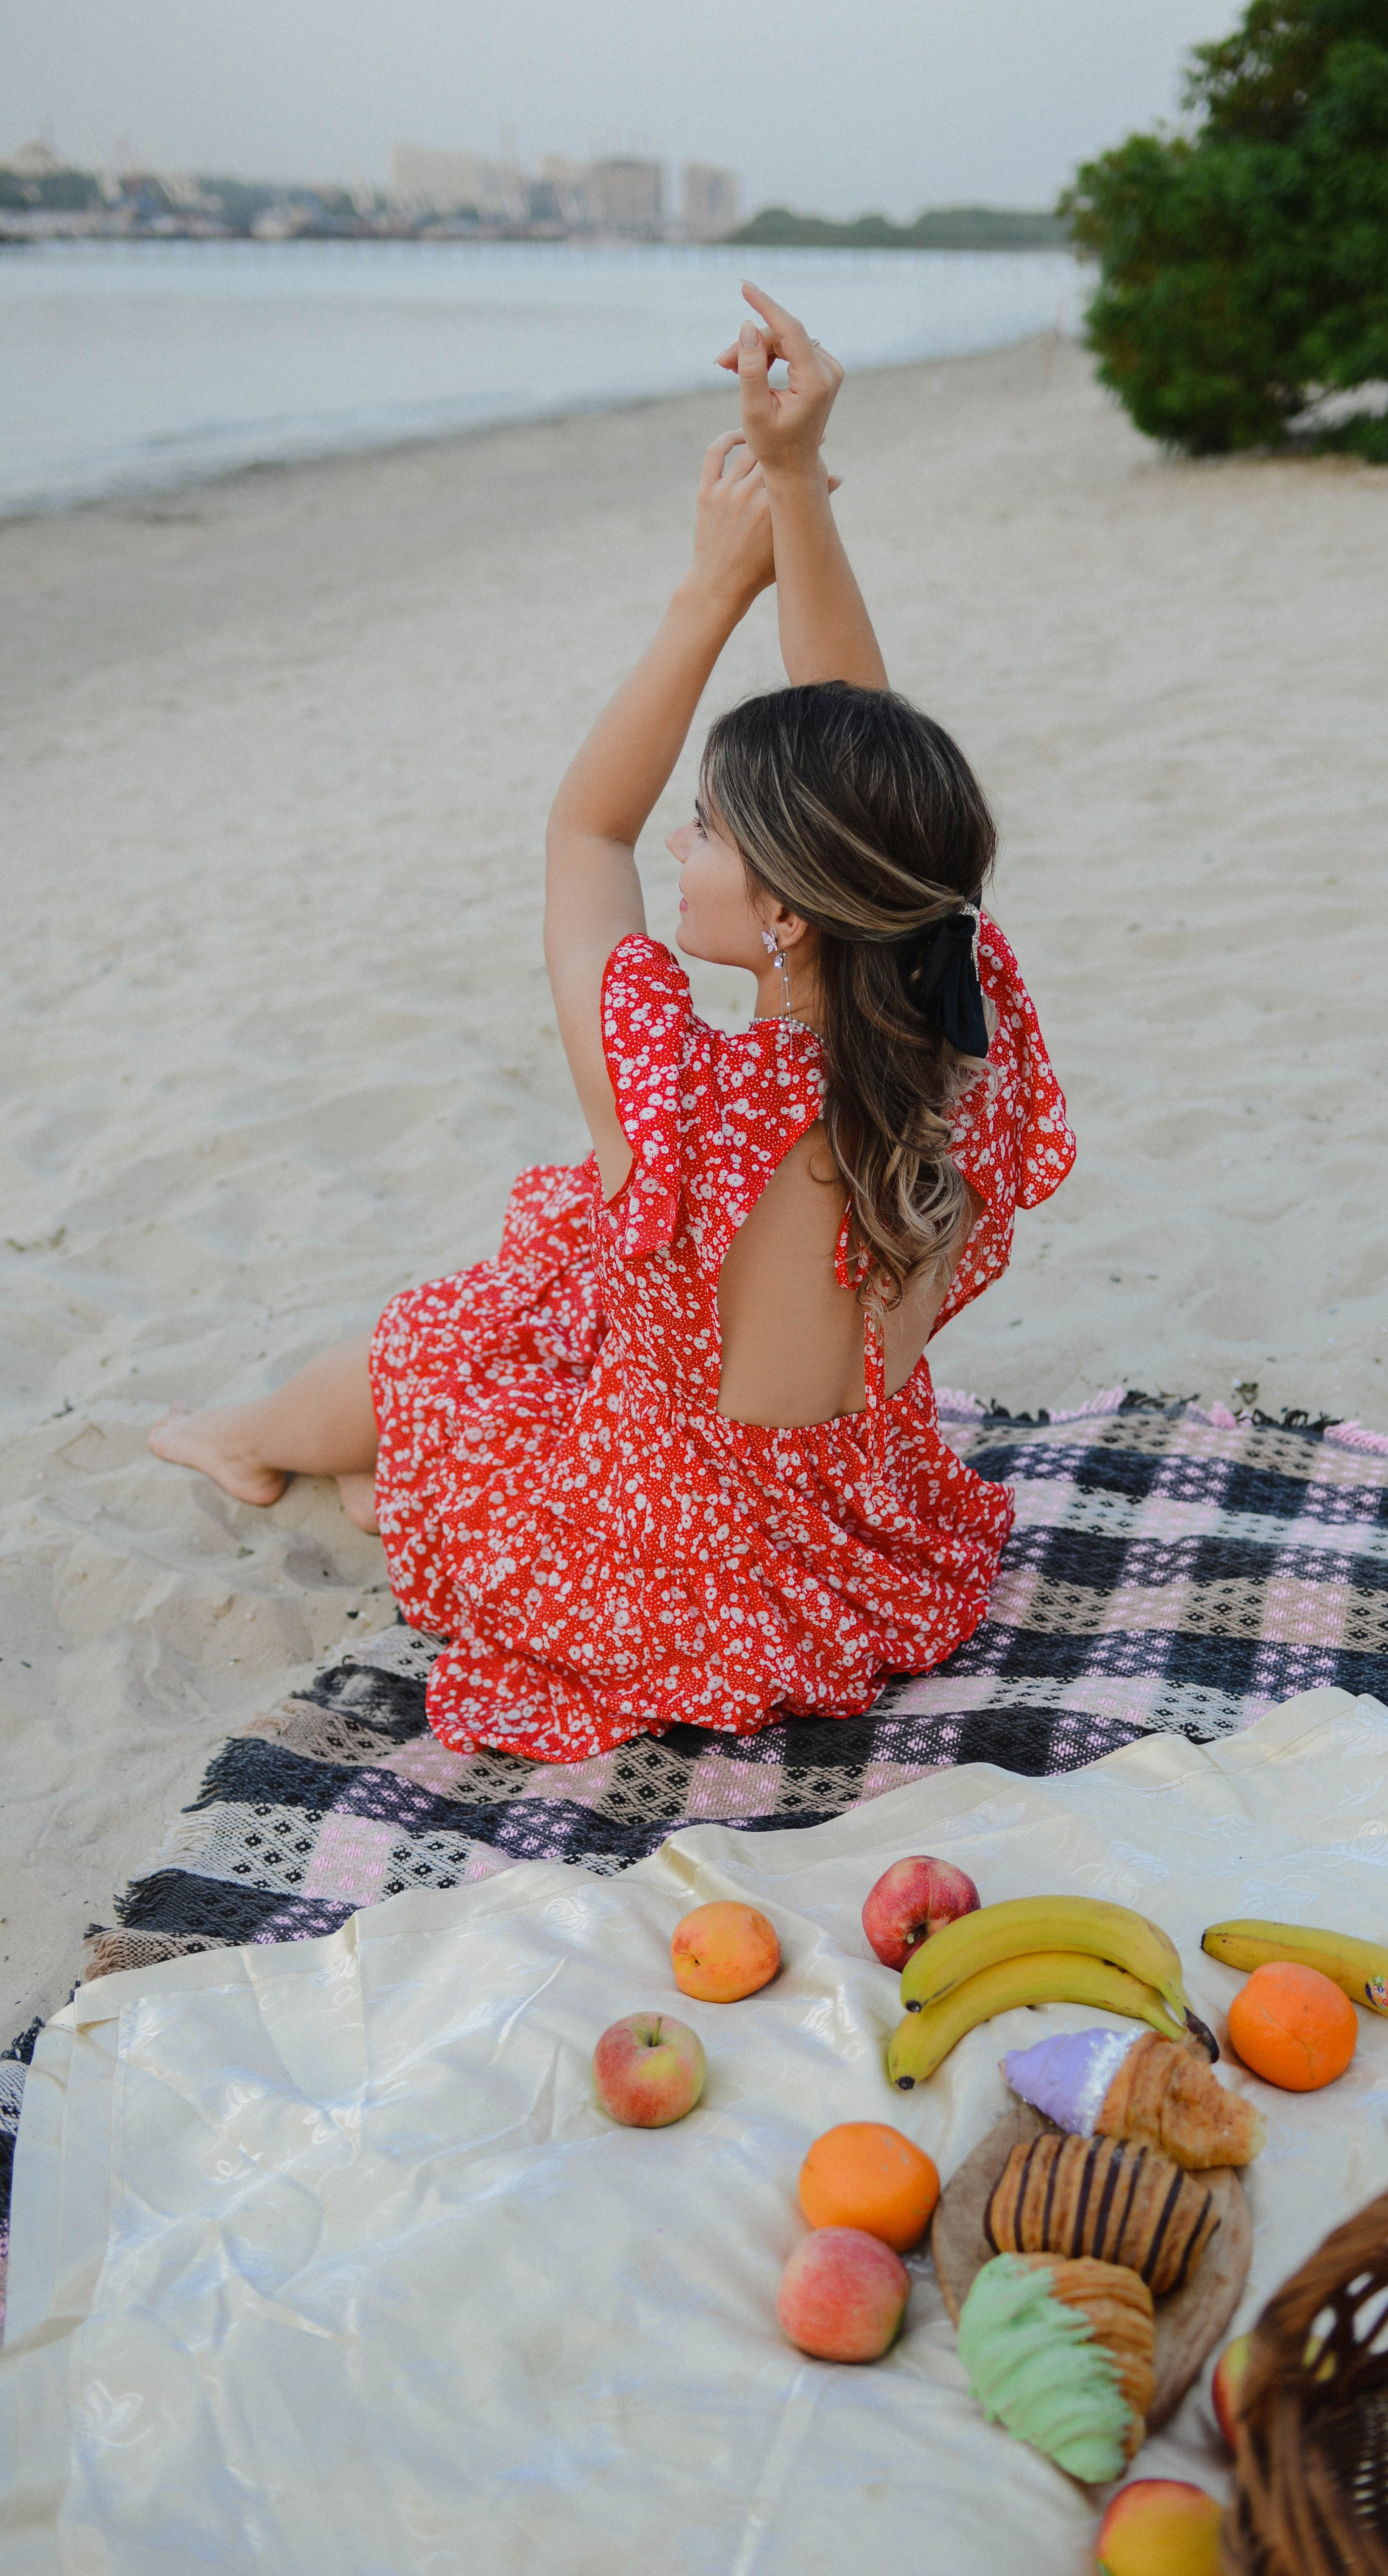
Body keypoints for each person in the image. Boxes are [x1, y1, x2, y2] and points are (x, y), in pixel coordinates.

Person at [150, 285, 1075, 1762]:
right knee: (577, 1274)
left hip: (674, 1585)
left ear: (782, 908)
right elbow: (864, 760)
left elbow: (584, 831)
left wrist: (709, 592)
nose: (674, 852)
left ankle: (240, 1439)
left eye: (704, 835)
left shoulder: (679, 1092)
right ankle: (356, 1466)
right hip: (852, 1561)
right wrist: (792, 480)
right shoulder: (959, 1015)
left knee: (445, 1339)